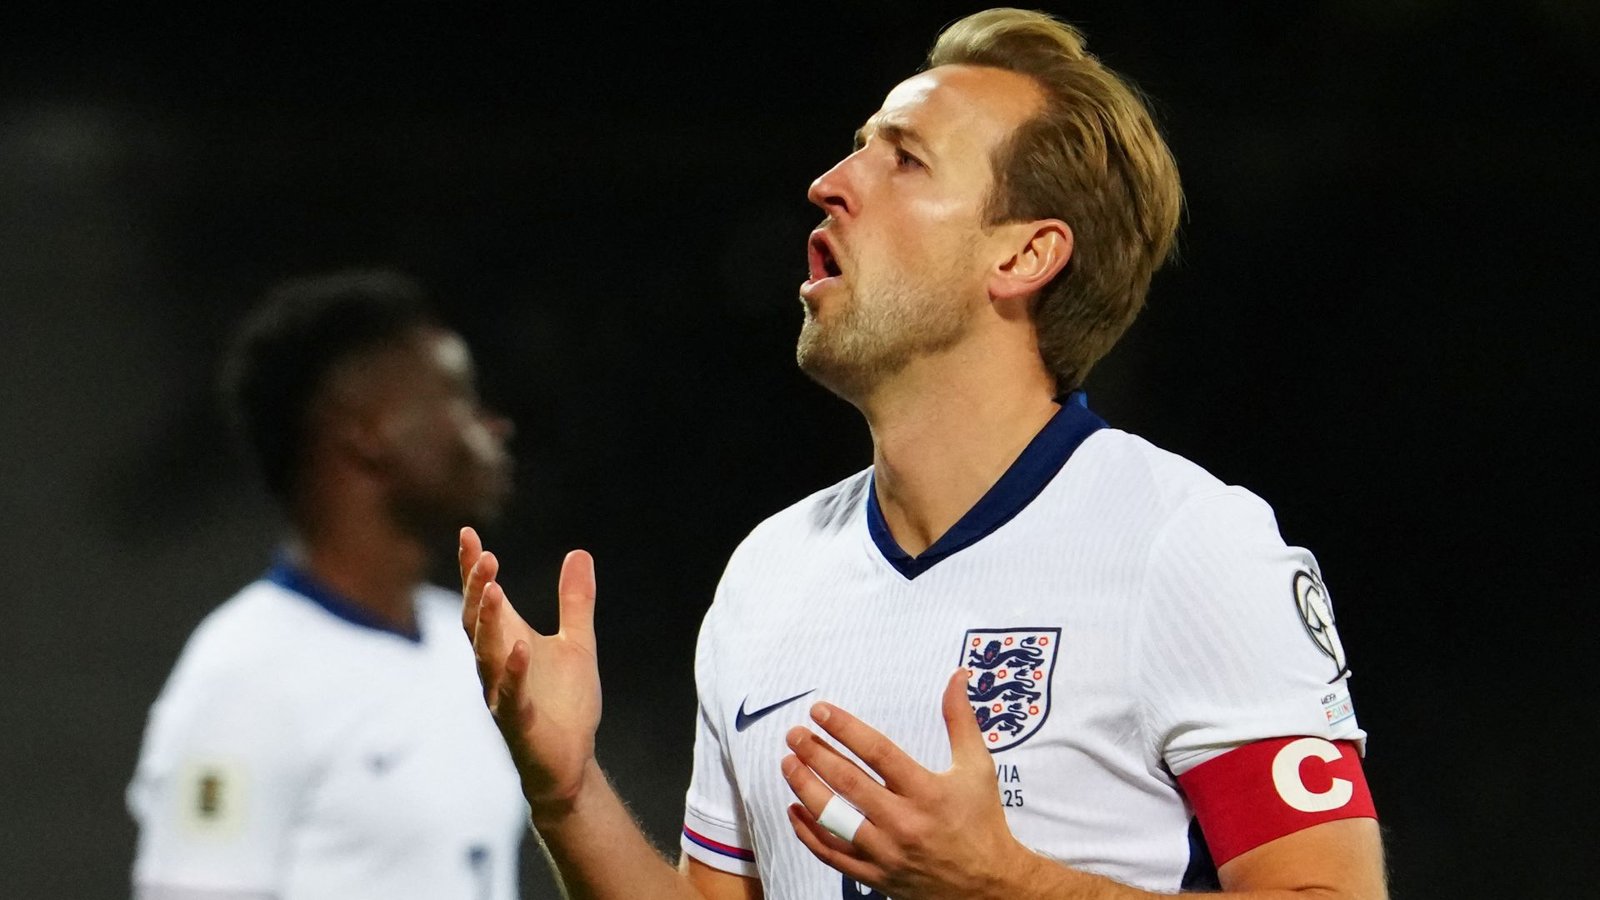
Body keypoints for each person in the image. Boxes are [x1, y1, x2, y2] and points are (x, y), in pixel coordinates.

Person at [461, 9, 1384, 899]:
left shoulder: (1186, 544)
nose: (832, 180)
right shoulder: (769, 575)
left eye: (903, 157)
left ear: (1025, 256)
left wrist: (1006, 886)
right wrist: (568, 793)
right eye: (860, 145)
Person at [128, 270, 527, 899]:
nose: (492, 426)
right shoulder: (246, 674)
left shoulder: (468, 641)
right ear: (366, 431)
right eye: (455, 395)